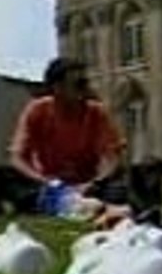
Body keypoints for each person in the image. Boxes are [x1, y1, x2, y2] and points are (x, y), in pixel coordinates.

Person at [9, 57, 126, 208]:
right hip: (48, 181)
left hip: (88, 182)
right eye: (79, 84)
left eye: (86, 83)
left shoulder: (96, 112)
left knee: (119, 190)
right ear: (57, 87)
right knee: (14, 187)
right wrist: (47, 181)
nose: (86, 89)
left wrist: (94, 182)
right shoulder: (37, 110)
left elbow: (112, 157)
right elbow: (17, 158)